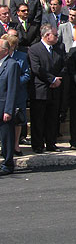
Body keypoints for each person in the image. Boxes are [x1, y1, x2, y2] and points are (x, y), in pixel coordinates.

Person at [28, 23, 66, 153]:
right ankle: (38, 145)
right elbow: (37, 68)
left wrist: (58, 79)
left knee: (52, 118)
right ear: (46, 35)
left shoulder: (59, 48)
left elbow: (64, 65)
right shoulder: (34, 49)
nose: (57, 37)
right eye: (55, 35)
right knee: (38, 119)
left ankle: (51, 143)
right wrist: (52, 79)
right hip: (40, 89)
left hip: (55, 89)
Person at [2, 33, 30, 158]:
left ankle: (15, 146)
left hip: (17, 94)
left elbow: (26, 75)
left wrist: (14, 81)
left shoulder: (19, 58)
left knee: (17, 121)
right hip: (4, 96)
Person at [0, 38, 20, 175]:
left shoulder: (12, 65)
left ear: (5, 50)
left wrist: (8, 110)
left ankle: (8, 164)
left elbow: (12, 89)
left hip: (4, 108)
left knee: (7, 138)